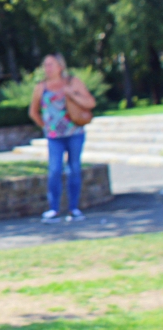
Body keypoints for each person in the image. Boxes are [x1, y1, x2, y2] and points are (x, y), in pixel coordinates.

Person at [29, 54, 96, 223]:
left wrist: (71, 94)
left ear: (60, 66)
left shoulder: (72, 82)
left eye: (50, 64)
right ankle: (54, 209)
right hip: (54, 137)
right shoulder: (41, 87)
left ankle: (74, 208)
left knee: (74, 169)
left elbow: (90, 103)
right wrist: (45, 126)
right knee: (55, 170)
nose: (47, 68)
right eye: (45, 65)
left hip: (75, 133)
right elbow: (33, 111)